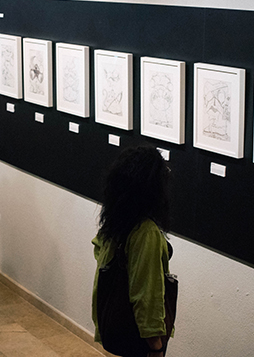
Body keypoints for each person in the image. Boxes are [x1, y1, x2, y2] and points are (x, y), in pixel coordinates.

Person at [91, 145, 173, 357]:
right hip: (137, 337)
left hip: (112, 324)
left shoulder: (116, 222)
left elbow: (99, 252)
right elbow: (146, 295)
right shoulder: (146, 232)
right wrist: (156, 345)